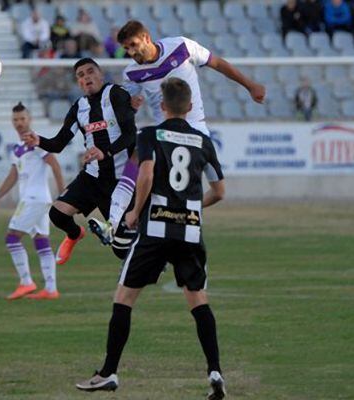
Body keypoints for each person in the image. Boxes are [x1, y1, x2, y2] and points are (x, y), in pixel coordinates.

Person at [75, 78, 227, 400]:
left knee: (124, 298)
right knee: (198, 299)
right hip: (190, 228)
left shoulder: (150, 135)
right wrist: (191, 207)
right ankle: (215, 371)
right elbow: (220, 192)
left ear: (162, 106)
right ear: (189, 107)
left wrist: (134, 213)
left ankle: (109, 372)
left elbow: (145, 174)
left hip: (156, 228)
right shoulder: (203, 141)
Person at [87, 20, 265, 248]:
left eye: (133, 45)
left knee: (219, 192)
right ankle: (112, 223)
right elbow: (124, 105)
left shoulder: (181, 47)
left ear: (146, 38)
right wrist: (130, 105)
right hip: (166, 133)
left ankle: (172, 212)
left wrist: (250, 86)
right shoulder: (132, 74)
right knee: (137, 160)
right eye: (126, 48)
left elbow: (217, 63)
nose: (131, 52)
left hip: (195, 129)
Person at [25, 58, 138, 265]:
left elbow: (131, 135)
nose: (86, 77)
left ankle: (152, 255)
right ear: (78, 83)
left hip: (121, 182)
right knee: (57, 214)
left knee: (122, 250)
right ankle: (75, 234)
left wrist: (106, 152)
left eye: (90, 72)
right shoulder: (79, 108)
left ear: (100, 74)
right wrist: (39, 140)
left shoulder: (116, 94)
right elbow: (59, 143)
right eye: (81, 75)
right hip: (92, 177)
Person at [0, 102, 65, 301]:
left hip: (34, 199)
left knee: (12, 237)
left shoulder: (35, 142)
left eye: (22, 118)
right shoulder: (18, 148)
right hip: (37, 200)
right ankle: (50, 288)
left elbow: (54, 165)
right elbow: (12, 176)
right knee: (41, 241)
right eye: (15, 120)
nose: (19, 123)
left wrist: (63, 193)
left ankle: (26, 282)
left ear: (29, 119)